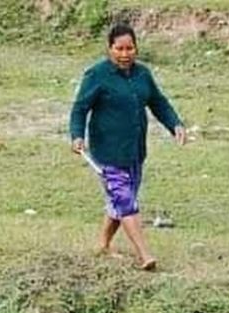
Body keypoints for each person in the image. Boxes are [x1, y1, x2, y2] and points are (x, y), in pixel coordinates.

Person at [69, 22, 186, 271]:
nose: (125, 54)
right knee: (125, 201)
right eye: (119, 49)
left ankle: (103, 245)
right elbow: (80, 108)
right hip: (107, 153)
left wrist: (175, 124)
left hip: (134, 152)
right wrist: (77, 136)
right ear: (109, 49)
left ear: (136, 48)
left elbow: (158, 102)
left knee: (120, 201)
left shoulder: (143, 74)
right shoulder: (97, 75)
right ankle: (145, 255)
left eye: (129, 48)